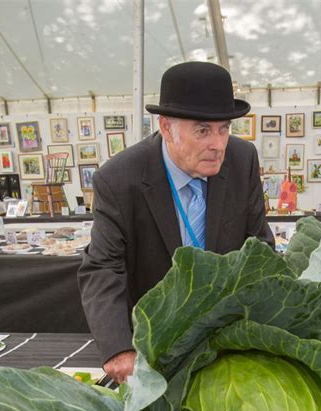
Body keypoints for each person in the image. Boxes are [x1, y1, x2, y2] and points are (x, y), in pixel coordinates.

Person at [78, 61, 275, 383]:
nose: (218, 144)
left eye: (224, 128)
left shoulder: (243, 159)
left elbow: (259, 247)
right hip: (156, 340)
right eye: (202, 130)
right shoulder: (119, 179)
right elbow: (102, 267)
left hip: (228, 334)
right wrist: (118, 349)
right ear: (167, 127)